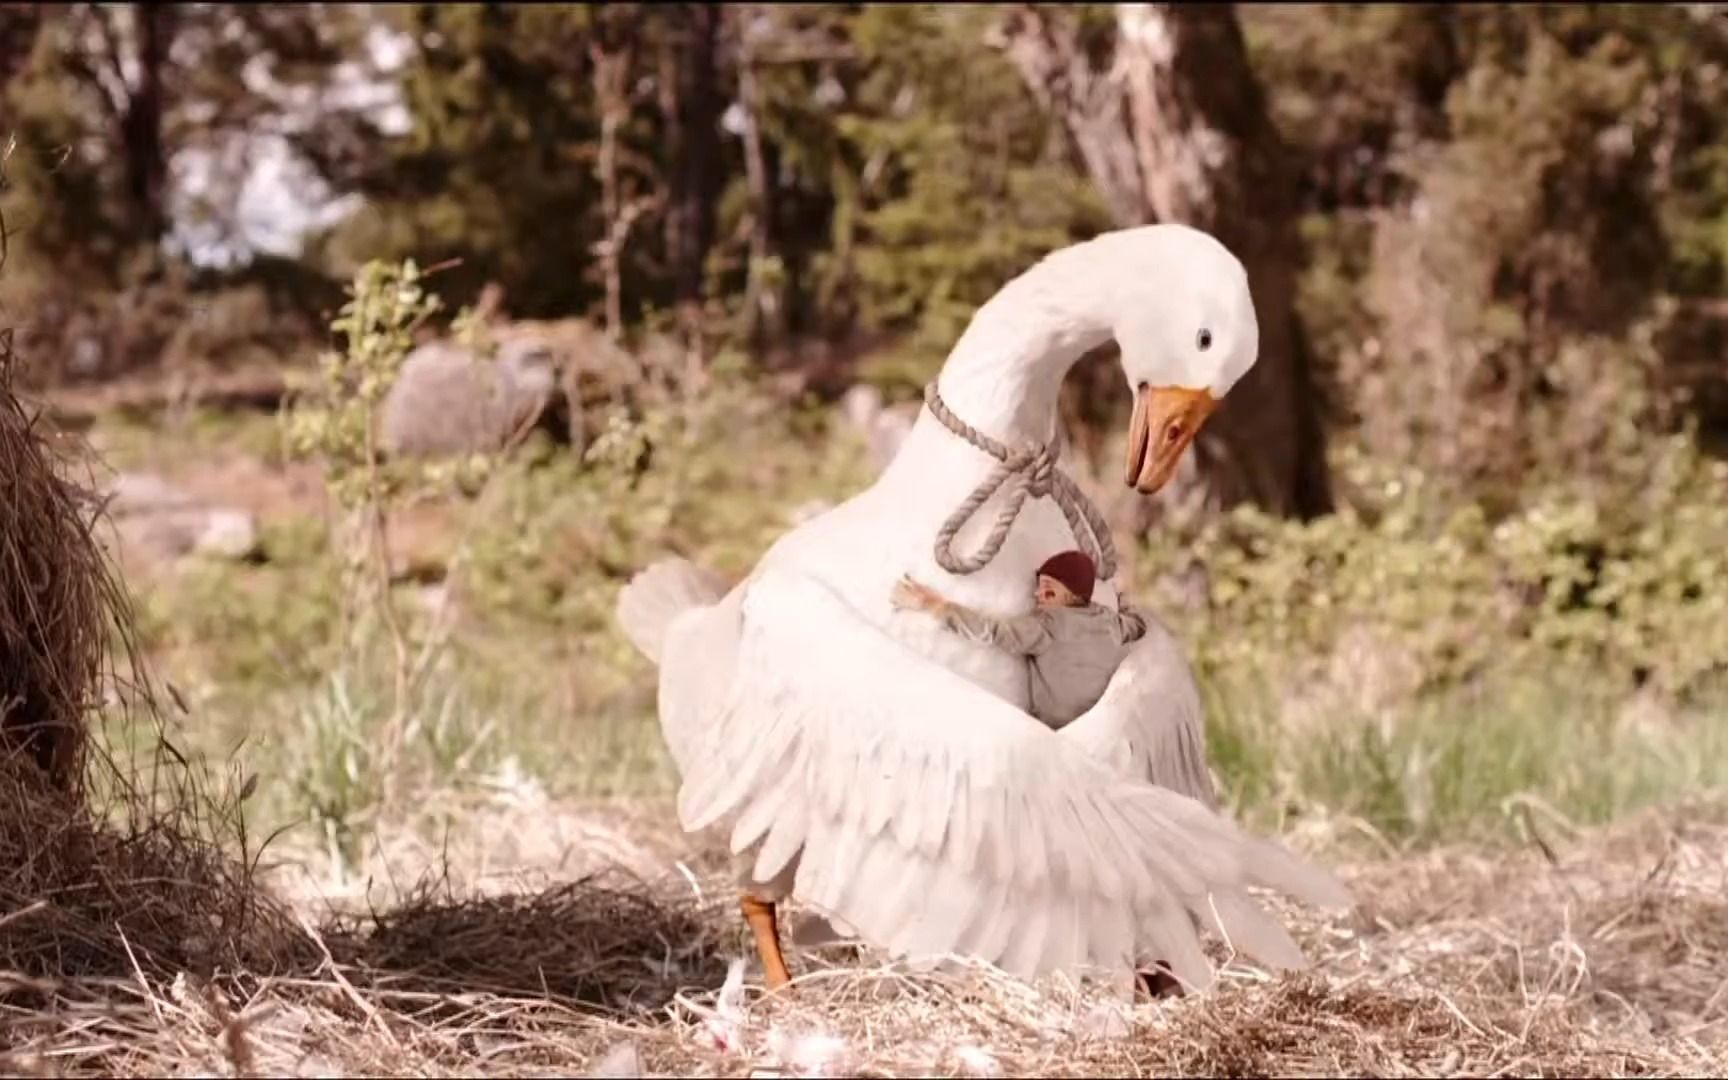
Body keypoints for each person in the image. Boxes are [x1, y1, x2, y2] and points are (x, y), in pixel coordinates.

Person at [891, 550, 1147, 730]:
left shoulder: (1049, 625)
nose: (1037, 593)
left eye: (1047, 587)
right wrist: (1123, 592)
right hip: (1103, 729)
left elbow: (994, 631)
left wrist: (935, 606)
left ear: (1070, 594)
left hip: (1063, 734)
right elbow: (1137, 624)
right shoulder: (1111, 622)